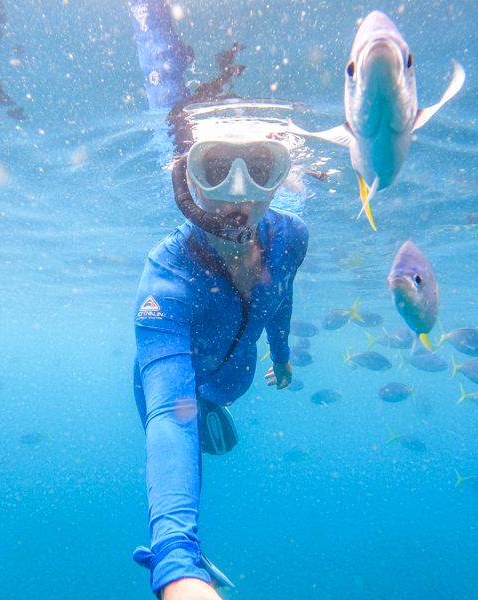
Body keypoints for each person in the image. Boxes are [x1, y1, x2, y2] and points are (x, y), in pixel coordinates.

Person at [132, 133, 308, 599]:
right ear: (188, 184)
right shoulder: (165, 277)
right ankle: (184, 547)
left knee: (201, 413)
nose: (239, 189)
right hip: (171, 386)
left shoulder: (292, 236)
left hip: (232, 379)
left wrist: (282, 355)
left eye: (258, 164)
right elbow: (169, 413)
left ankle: (209, 405)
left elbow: (282, 295)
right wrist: (175, 559)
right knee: (182, 426)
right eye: (214, 168)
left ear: (278, 178)